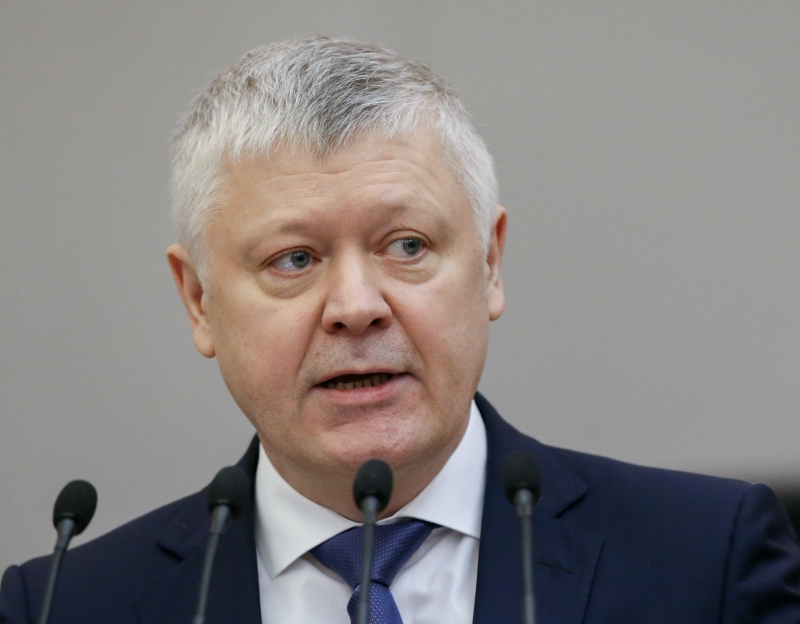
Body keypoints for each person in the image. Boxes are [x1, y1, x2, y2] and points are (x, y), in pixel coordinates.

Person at [1, 36, 799, 624]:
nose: (356, 306)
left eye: (407, 246)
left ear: (490, 263)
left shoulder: (705, 561)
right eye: (293, 259)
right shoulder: (66, 605)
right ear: (199, 300)